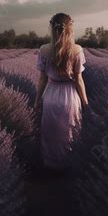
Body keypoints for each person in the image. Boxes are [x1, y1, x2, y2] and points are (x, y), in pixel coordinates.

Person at [34, 12, 89, 171]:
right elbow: (78, 79)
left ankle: (51, 167)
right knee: (70, 131)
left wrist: (37, 100)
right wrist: (85, 102)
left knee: (50, 133)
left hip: (51, 94)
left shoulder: (44, 50)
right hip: (70, 95)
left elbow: (42, 79)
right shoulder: (77, 50)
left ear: (52, 28)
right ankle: (69, 166)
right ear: (70, 29)